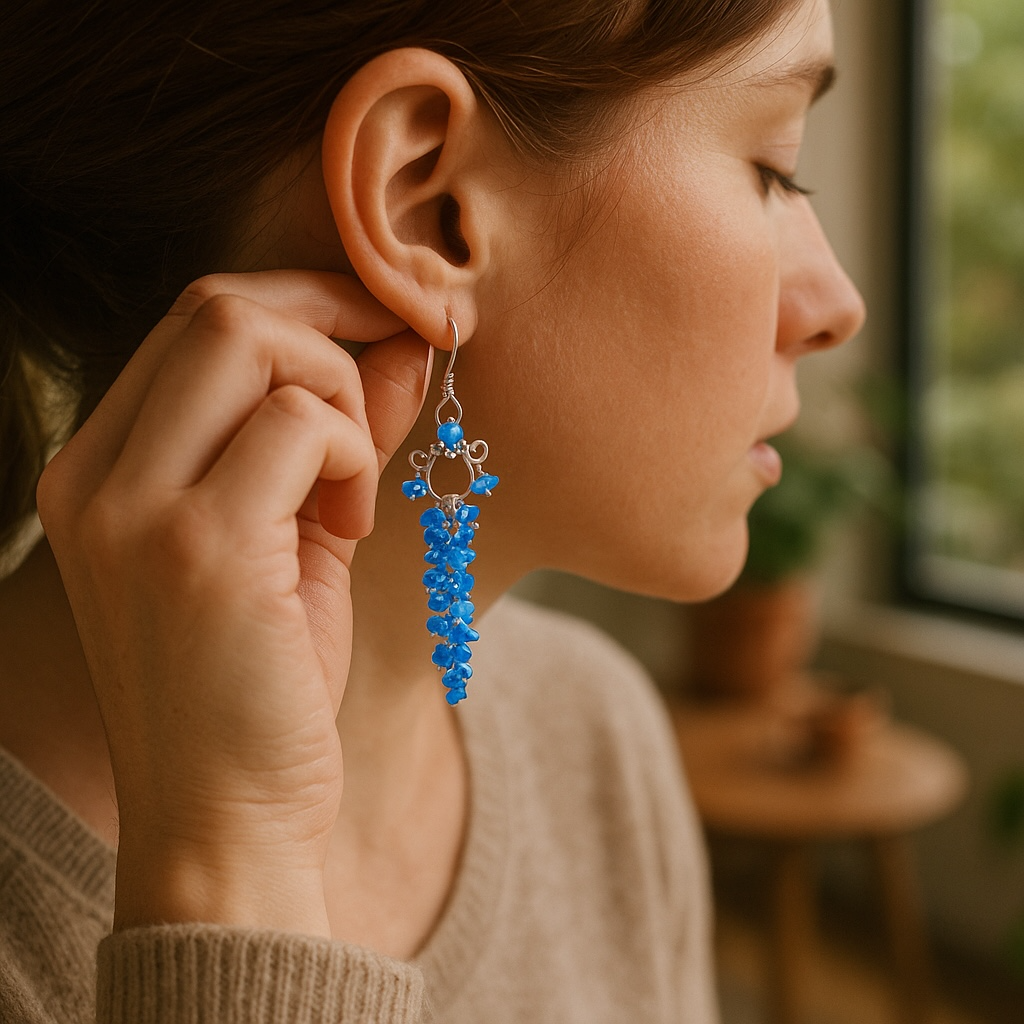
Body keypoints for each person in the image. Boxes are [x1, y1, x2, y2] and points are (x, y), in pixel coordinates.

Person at [0, 0, 865, 1020]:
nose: (836, 304)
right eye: (772, 167)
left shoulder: (592, 731)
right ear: (430, 207)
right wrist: (228, 870)